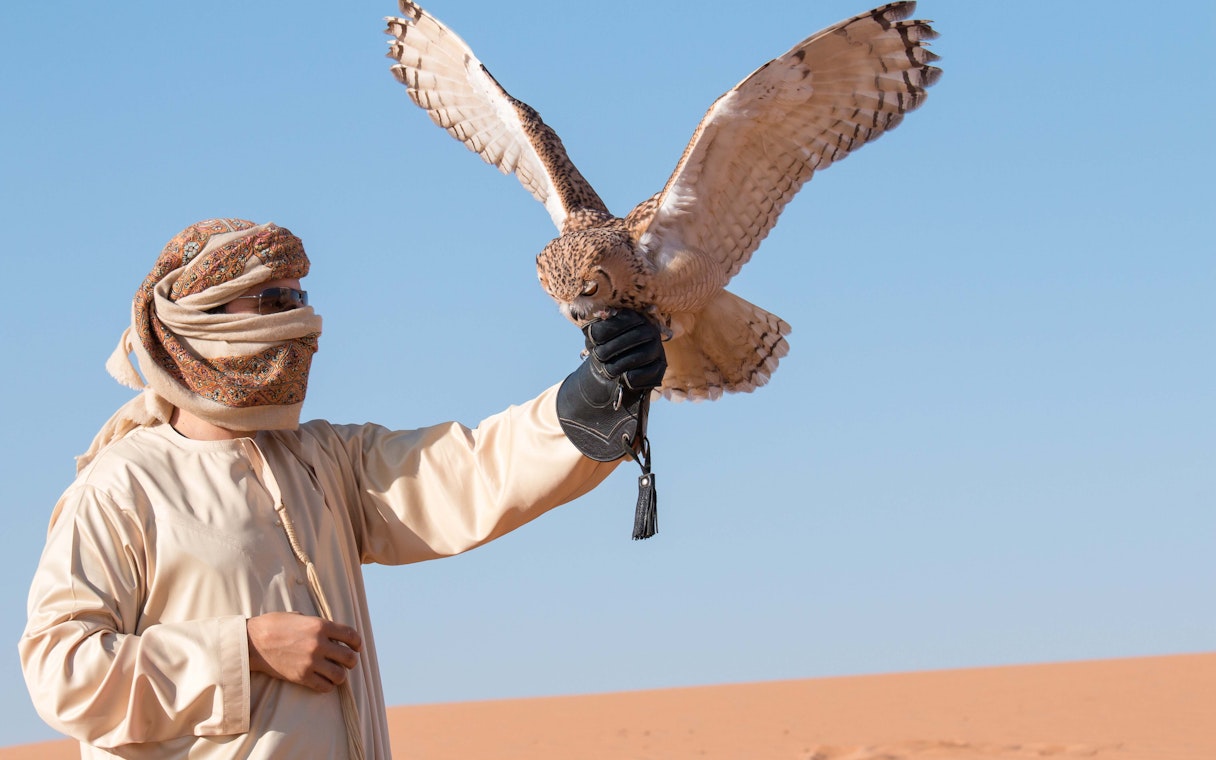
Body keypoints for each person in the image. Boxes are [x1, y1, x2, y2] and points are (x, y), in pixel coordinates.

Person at [19, 218, 666, 759]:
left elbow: (466, 471)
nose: (300, 322)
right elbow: (62, 671)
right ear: (202, 318)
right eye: (273, 303)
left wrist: (592, 397)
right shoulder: (123, 486)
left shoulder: (324, 461)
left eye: (300, 299)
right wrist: (241, 649)